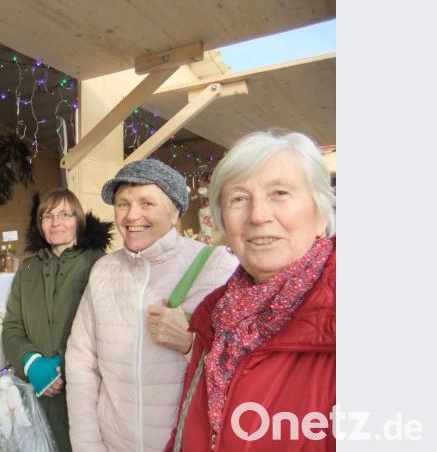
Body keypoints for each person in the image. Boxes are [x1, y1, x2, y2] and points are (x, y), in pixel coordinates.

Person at [166, 130, 336, 452]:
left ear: (320, 214)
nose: (258, 215)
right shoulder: (215, 320)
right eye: (239, 199)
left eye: (280, 193)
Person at [66, 159, 238, 452]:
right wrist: (87, 445)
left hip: (185, 443)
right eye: (123, 204)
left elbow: (243, 365)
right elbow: (82, 361)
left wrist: (189, 344)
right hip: (113, 443)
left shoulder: (217, 266)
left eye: (147, 203)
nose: (132, 215)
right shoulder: (103, 271)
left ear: (174, 213)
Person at [2, 189, 113, 452]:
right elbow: (12, 326)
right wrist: (32, 364)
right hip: (36, 393)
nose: (56, 222)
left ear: (79, 220)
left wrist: (60, 365)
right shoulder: (27, 269)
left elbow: (108, 329)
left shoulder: (100, 265)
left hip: (84, 392)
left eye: (65, 214)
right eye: (47, 216)